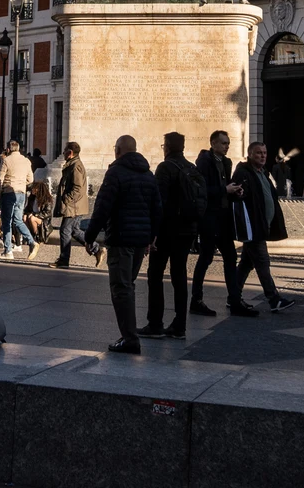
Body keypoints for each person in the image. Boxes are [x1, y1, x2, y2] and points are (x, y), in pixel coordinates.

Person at [85, 134, 161, 354]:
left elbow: (102, 208)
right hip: (140, 241)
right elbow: (157, 209)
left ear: (117, 150)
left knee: (121, 288)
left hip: (121, 238)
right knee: (128, 284)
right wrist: (151, 237)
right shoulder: (148, 174)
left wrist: (90, 236)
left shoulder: (115, 172)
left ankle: (129, 338)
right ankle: (129, 335)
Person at [142, 132, 199, 340]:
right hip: (187, 230)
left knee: (155, 274)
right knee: (179, 276)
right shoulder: (191, 167)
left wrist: (152, 234)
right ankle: (180, 325)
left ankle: (155, 323)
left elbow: (159, 203)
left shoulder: (165, 167)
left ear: (166, 147)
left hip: (168, 231)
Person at [229, 140, 294, 316]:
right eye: (258, 153)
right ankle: (274, 299)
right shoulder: (244, 172)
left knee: (246, 263)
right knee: (263, 262)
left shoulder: (262, 172)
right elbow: (239, 195)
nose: (263, 156)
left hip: (262, 226)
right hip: (253, 227)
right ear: (250, 154)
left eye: (264, 153)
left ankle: (233, 296)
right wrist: (240, 193)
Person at [191, 130, 238, 316]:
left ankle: (234, 299)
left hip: (224, 217)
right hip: (210, 217)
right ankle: (196, 299)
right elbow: (202, 190)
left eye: (228, 143)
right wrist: (224, 189)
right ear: (213, 143)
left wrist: (234, 191)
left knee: (231, 256)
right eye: (224, 143)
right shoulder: (204, 162)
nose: (227, 146)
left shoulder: (226, 162)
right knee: (206, 257)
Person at [50, 141, 89, 269]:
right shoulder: (73, 164)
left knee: (64, 230)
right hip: (76, 204)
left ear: (70, 153)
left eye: (65, 150)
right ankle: (96, 249)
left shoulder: (75, 166)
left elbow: (77, 187)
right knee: (75, 231)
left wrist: (67, 199)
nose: (63, 153)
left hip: (73, 205)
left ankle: (64, 260)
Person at [0, 140, 38, 259]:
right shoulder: (26, 161)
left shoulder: (6, 160)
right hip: (21, 193)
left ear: (8, 149)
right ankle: (31, 242)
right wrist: (21, 184)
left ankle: (8, 251)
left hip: (9, 192)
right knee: (18, 220)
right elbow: (30, 179)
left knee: (6, 221)